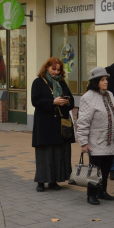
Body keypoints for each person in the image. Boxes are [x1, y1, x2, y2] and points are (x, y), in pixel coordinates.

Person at [76, 67, 114, 205]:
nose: (105, 82)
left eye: (106, 79)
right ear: (95, 81)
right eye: (102, 80)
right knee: (95, 169)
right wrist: (83, 142)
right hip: (96, 141)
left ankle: (102, 191)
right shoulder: (87, 98)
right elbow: (83, 122)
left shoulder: (110, 95)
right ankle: (92, 194)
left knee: (106, 168)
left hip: (110, 140)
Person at [31, 57, 75, 192]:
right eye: (53, 69)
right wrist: (52, 102)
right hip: (44, 124)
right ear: (46, 68)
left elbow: (71, 100)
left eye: (58, 69)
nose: (56, 72)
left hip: (59, 124)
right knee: (44, 153)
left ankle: (53, 181)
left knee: (57, 153)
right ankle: (41, 181)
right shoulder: (38, 82)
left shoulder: (62, 83)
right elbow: (35, 101)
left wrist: (66, 102)